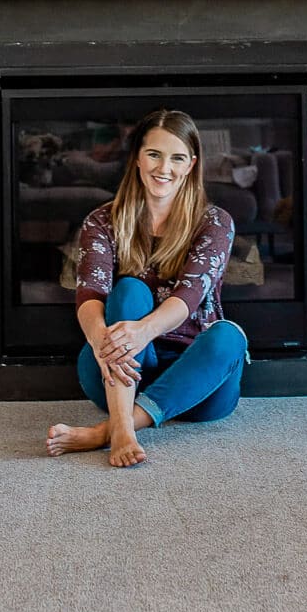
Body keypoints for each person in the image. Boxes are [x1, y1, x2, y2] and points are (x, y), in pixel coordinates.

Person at [46, 107, 248, 467]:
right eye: (154, 154)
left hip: (198, 378)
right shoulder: (102, 220)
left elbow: (188, 296)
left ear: (191, 165)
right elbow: (89, 293)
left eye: (177, 158)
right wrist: (99, 342)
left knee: (229, 338)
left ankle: (109, 430)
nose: (164, 168)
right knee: (129, 290)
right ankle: (123, 423)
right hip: (120, 371)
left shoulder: (215, 222)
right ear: (137, 156)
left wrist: (142, 331)